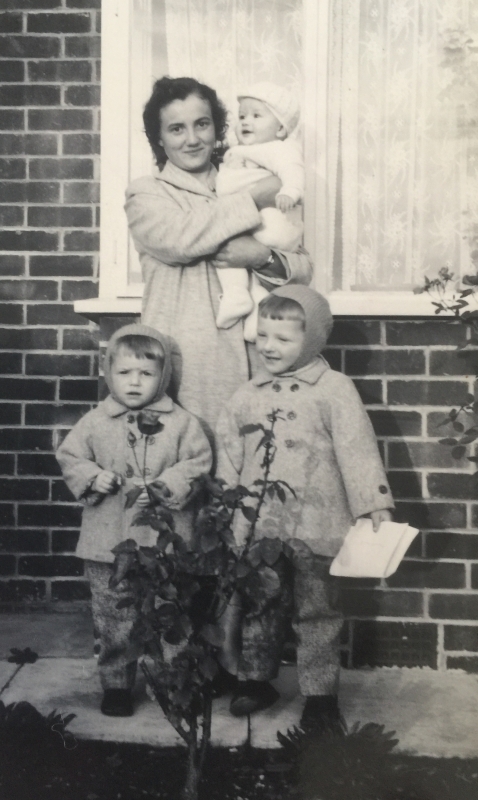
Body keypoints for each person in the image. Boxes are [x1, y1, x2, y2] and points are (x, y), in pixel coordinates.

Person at [216, 285, 394, 729]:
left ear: (312, 340)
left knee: (318, 611)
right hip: (263, 528)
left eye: (284, 338)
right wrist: (227, 511)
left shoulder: (334, 389)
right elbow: (229, 456)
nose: (269, 347)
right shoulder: (248, 395)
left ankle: (319, 693)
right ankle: (256, 680)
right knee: (261, 604)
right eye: (263, 336)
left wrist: (374, 504)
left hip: (320, 523)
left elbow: (357, 449)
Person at [125, 76, 312, 440]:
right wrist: (254, 199)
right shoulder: (147, 194)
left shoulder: (246, 174)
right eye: (177, 129)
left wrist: (262, 257)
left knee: (259, 479)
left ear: (217, 127)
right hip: (190, 368)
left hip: (259, 360)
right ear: (159, 138)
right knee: (192, 473)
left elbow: (302, 267)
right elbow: (180, 237)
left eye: (202, 124)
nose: (192, 139)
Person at [56, 324, 212, 717]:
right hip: (108, 544)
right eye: (124, 372)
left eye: (146, 373)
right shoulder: (96, 421)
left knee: (169, 614)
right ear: (109, 372)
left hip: (163, 546)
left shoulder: (181, 423)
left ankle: (171, 684)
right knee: (113, 618)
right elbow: (70, 456)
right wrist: (95, 476)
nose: (134, 382)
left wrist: (165, 484)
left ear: (164, 377)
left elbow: (197, 463)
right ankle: (117, 685)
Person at [215, 82, 304, 341]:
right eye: (242, 116)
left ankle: (234, 293)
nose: (246, 122)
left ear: (280, 128)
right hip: (264, 225)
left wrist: (290, 190)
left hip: (272, 222)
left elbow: (293, 169)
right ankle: (254, 318)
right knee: (254, 274)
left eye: (256, 115)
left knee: (227, 244)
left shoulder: (279, 148)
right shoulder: (247, 150)